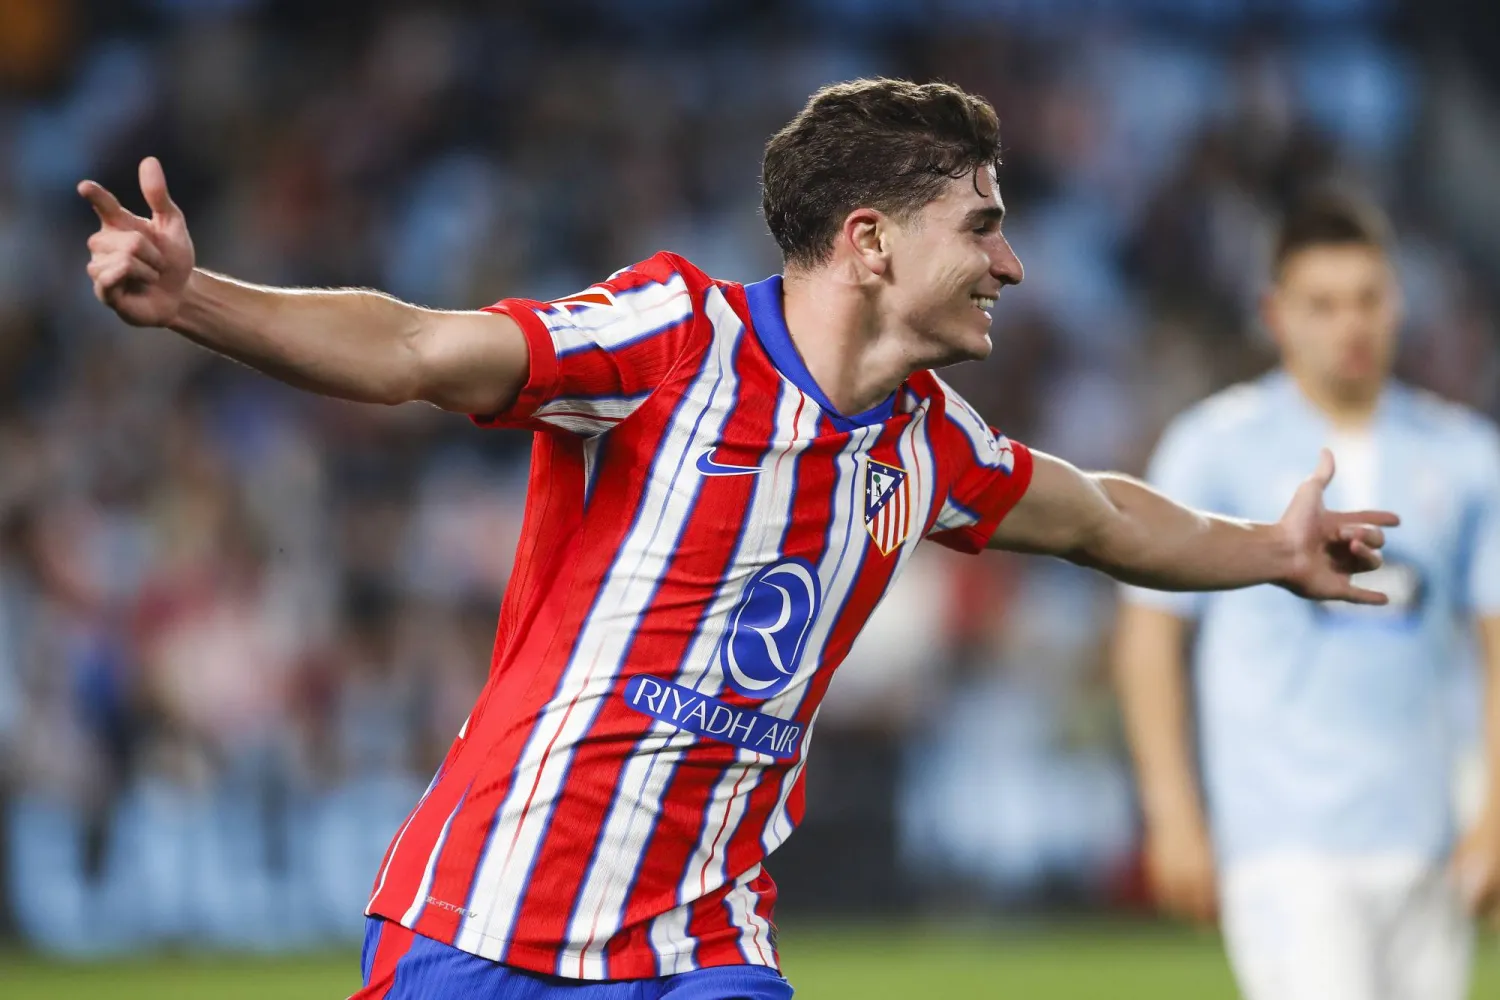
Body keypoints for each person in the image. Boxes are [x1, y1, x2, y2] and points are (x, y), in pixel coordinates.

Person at [80, 78, 1395, 1000]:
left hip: (705, 939)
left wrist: (1270, 552)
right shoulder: (675, 340)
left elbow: (1105, 518)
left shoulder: (927, 442)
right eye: (984, 226)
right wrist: (202, 300)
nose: (1014, 264)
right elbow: (428, 347)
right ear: (872, 243)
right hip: (492, 916)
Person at [1113, 194, 1500, 1000]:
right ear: (1275, 313)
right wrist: (1173, 812)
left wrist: (1494, 813)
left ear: (1398, 302)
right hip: (1285, 840)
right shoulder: (1213, 447)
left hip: (1428, 835)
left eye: (1368, 298)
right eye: (1322, 305)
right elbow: (1150, 636)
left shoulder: (1467, 455)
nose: (1349, 325)